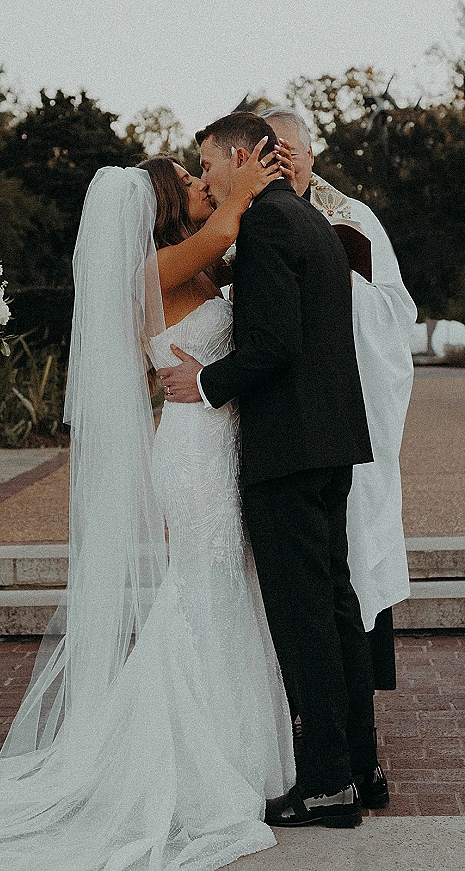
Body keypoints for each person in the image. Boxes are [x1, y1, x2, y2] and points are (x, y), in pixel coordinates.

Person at [0, 147, 298, 870]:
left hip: (222, 441)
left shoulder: (199, 267)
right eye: (191, 181)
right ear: (163, 204)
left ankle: (239, 750)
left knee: (227, 588)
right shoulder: (154, 270)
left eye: (203, 175)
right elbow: (230, 224)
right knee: (203, 589)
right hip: (193, 452)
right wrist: (254, 178)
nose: (204, 185)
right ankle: (196, 758)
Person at [158, 111, 380, 828]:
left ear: (241, 155)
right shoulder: (306, 216)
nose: (208, 175)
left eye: (208, 162)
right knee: (336, 607)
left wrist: (208, 382)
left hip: (288, 450)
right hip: (330, 443)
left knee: (304, 620)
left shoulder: (264, 226)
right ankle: (360, 768)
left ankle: (326, 785)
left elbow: (274, 344)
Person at [262, 107, 418, 808]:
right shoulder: (254, 219)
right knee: (313, 599)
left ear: (312, 152)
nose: (283, 160)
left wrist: (332, 282)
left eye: (291, 150)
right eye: (271, 150)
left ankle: (357, 759)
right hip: (297, 431)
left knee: (340, 598)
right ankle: (318, 755)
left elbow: (394, 315)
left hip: (344, 428)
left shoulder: (350, 219)